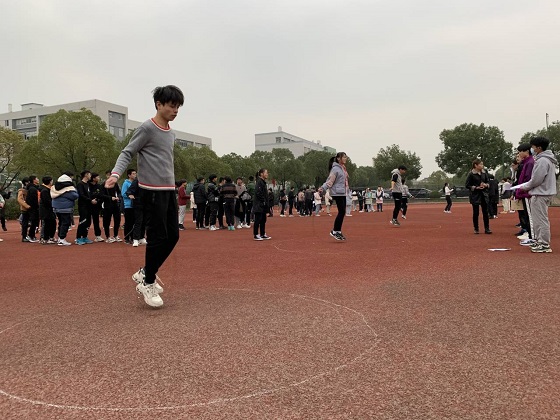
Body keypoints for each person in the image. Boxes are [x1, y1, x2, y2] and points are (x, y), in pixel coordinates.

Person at [105, 85, 184, 308]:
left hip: (168, 191)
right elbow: (127, 152)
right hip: (150, 191)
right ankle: (148, 282)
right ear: (159, 104)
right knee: (157, 237)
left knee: (173, 237)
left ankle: (146, 272)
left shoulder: (171, 133)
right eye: (172, 106)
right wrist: (115, 174)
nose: (175, 111)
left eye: (178, 107)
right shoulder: (147, 128)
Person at [518, 137, 557, 253]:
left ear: (539, 148)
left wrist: (524, 187)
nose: (532, 149)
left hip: (540, 193)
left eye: (533, 147)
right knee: (538, 219)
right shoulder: (545, 159)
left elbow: (536, 180)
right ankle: (540, 240)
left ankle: (544, 243)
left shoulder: (542, 161)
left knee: (540, 219)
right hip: (543, 192)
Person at [319, 152, 349, 241]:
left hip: (343, 192)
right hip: (337, 192)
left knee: (342, 212)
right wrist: (323, 188)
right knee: (341, 212)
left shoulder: (343, 168)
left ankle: (338, 231)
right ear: (339, 158)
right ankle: (335, 231)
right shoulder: (335, 169)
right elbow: (330, 181)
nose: (345, 158)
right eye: (344, 157)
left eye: (346, 157)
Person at [514, 144, 535, 244]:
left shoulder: (530, 163)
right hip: (524, 192)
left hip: (526, 193)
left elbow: (527, 179)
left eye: (520, 152)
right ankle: (530, 235)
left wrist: (522, 189)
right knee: (526, 216)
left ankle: (532, 237)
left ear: (526, 151)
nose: (519, 154)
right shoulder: (526, 162)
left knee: (529, 216)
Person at [51, 173, 79, 246]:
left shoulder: (54, 188)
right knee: (66, 223)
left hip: (56, 207)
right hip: (66, 208)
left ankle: (60, 237)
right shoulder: (68, 189)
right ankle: (62, 238)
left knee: (61, 223)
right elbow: (74, 196)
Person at [465, 158, 491, 234]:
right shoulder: (471, 174)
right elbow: (467, 185)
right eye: (481, 164)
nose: (482, 165)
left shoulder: (484, 173)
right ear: (475, 165)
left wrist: (486, 185)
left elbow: (488, 182)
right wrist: (476, 187)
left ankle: (487, 228)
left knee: (485, 212)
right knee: (476, 212)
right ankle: (476, 228)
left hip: (484, 194)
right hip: (475, 195)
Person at [101, 170, 123, 242]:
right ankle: (107, 236)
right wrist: (110, 198)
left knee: (117, 220)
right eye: (108, 175)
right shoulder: (103, 184)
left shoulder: (115, 184)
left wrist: (118, 197)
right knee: (107, 221)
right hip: (107, 205)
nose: (109, 176)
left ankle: (116, 235)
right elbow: (101, 195)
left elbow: (119, 192)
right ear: (106, 176)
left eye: (111, 175)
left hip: (115, 204)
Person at [76, 170, 95, 245]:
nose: (90, 176)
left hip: (89, 205)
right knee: (83, 221)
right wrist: (90, 200)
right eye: (89, 174)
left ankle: (85, 236)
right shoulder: (80, 184)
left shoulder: (88, 184)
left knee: (88, 222)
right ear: (86, 175)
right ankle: (78, 238)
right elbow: (81, 195)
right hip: (83, 205)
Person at [252, 169, 271, 240]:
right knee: (258, 220)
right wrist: (263, 201)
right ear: (261, 174)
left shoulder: (263, 182)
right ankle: (256, 234)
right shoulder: (259, 182)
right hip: (259, 204)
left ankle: (262, 233)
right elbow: (258, 193)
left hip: (262, 205)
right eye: (266, 173)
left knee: (263, 219)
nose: (267, 174)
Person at [39, 176, 57, 244]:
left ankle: (50, 237)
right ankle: (46, 238)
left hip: (50, 210)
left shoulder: (49, 189)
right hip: (46, 210)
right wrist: (53, 204)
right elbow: (47, 201)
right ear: (49, 182)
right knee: (47, 224)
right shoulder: (45, 190)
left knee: (53, 223)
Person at [121, 168, 137, 244]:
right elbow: (123, 193)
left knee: (134, 222)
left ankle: (133, 237)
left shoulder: (135, 183)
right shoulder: (126, 183)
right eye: (133, 174)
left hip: (135, 205)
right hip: (128, 205)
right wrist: (130, 196)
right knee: (128, 222)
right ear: (129, 175)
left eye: (135, 173)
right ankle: (127, 238)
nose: (135, 175)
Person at [89, 173, 104, 242]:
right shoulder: (87, 186)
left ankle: (98, 236)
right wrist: (90, 200)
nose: (99, 178)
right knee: (87, 221)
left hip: (96, 206)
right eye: (97, 177)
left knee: (96, 221)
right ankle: (82, 236)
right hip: (88, 206)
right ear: (93, 178)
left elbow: (101, 195)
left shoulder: (99, 186)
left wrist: (97, 201)